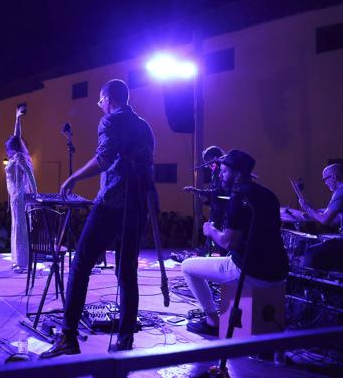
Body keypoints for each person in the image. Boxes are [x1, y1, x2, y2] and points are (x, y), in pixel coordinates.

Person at [40, 79, 155, 358]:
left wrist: (73, 177)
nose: (100, 106)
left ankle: (68, 338)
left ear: (108, 98)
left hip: (112, 204)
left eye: (100, 101)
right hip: (138, 207)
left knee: (80, 265)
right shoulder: (144, 125)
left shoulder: (111, 121)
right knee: (127, 272)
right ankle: (125, 342)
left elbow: (103, 159)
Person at [181, 149, 289, 336]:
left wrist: (211, 230)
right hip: (279, 271)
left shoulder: (238, 198)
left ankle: (212, 320)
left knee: (187, 267)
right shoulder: (268, 194)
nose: (220, 175)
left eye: (224, 171)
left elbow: (227, 242)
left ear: (237, 173)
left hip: (251, 271)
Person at [5, 105, 38, 273]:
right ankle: (17, 260)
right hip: (15, 196)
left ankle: (22, 262)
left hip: (19, 196)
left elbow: (30, 174)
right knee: (16, 227)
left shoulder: (19, 157)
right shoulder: (17, 155)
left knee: (20, 229)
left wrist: (36, 194)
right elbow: (16, 136)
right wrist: (17, 118)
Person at [298, 163, 343, 271]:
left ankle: (310, 285)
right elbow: (335, 218)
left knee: (310, 252)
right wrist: (315, 212)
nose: (325, 183)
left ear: (333, 176)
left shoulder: (341, 192)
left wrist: (308, 208)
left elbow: (325, 220)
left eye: (325, 179)